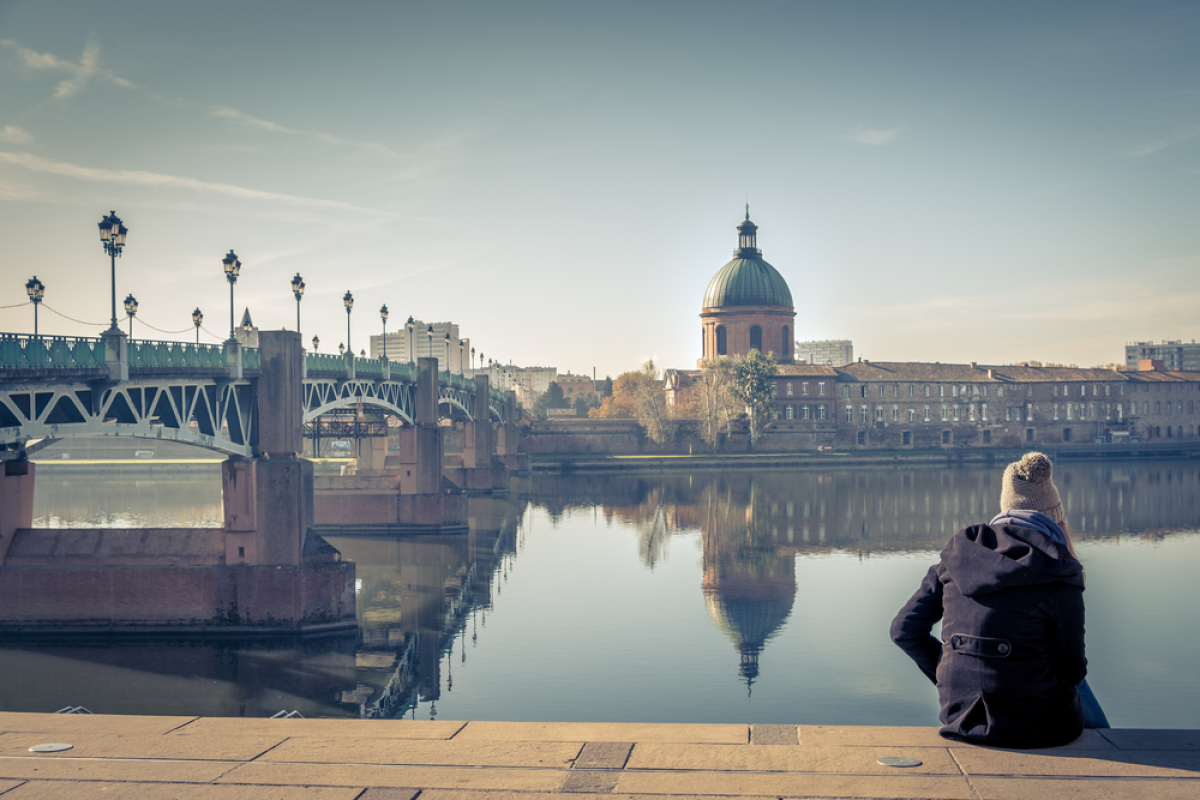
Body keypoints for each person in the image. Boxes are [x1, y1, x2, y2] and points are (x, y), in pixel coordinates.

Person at [890, 452, 1108, 748]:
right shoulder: (1059, 568)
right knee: (1079, 683)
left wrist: (949, 670)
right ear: (1056, 518)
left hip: (962, 717)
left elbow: (903, 631)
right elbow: (1071, 670)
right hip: (1041, 726)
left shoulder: (958, 554)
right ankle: (1112, 743)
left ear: (1004, 510)